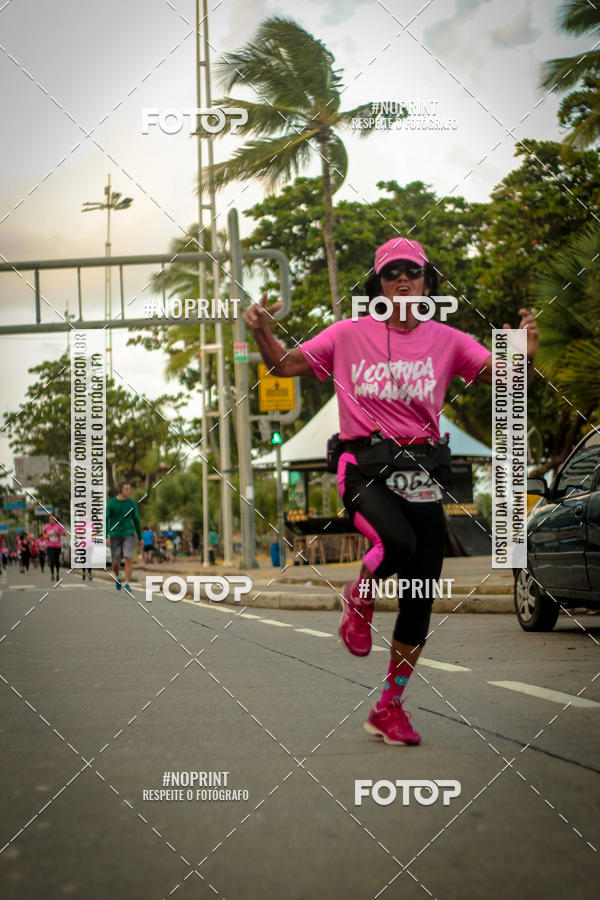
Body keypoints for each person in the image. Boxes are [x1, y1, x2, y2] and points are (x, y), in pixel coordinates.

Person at [245, 236, 538, 746]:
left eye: (413, 272)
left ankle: (390, 706)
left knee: (419, 597)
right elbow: (283, 366)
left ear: (427, 284)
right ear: (377, 285)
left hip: (422, 472)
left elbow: (505, 377)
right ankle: (359, 598)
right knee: (396, 545)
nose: (402, 280)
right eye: (391, 273)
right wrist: (264, 334)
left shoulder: (447, 340)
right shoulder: (347, 334)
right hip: (363, 466)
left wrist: (524, 357)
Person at [105, 481, 143, 591]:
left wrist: (140, 538)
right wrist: (107, 536)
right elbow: (106, 519)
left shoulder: (131, 503)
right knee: (116, 562)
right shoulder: (112, 503)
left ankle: (127, 583)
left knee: (128, 557)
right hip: (114, 534)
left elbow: (136, 520)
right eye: (126, 489)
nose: (128, 491)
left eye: (129, 489)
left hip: (128, 533)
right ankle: (118, 577)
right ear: (120, 490)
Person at [43, 515, 67, 581]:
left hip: (57, 546)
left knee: (56, 560)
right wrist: (46, 536)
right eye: (50, 519)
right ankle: (52, 575)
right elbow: (43, 534)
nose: (51, 520)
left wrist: (58, 532)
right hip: (49, 546)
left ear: (55, 520)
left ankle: (57, 575)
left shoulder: (59, 526)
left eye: (52, 519)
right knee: (51, 560)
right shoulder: (46, 526)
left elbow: (64, 534)